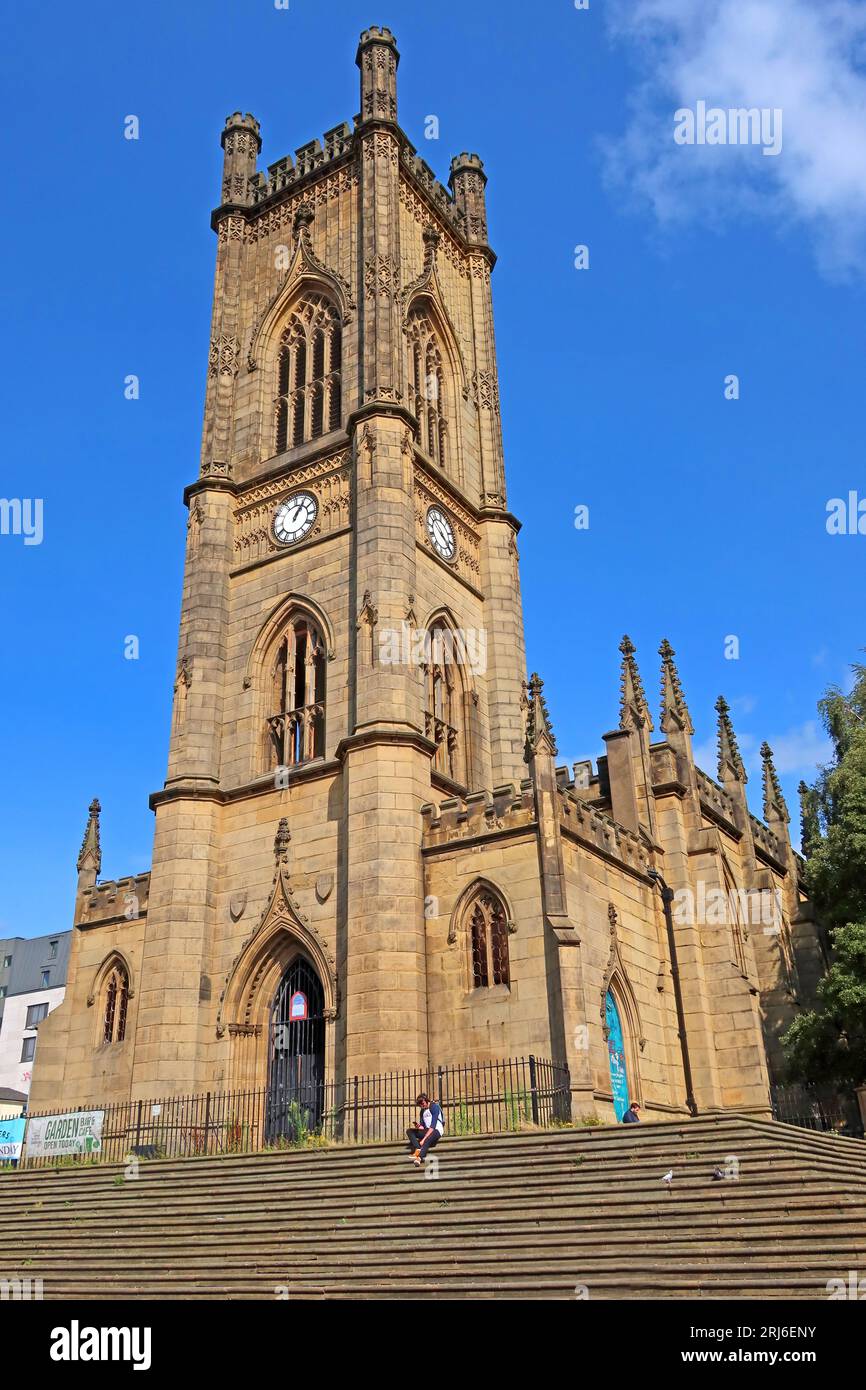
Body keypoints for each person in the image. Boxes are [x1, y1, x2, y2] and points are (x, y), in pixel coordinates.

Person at [406, 1092, 445, 1167]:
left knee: (428, 1138)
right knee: (410, 1131)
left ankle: (419, 1158)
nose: (422, 1105)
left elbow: (433, 1126)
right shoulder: (422, 1111)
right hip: (427, 1129)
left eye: (422, 1103)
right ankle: (418, 1149)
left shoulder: (434, 1107)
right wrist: (419, 1127)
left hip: (436, 1130)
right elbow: (423, 1127)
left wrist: (423, 1139)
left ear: (426, 1100)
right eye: (420, 1104)